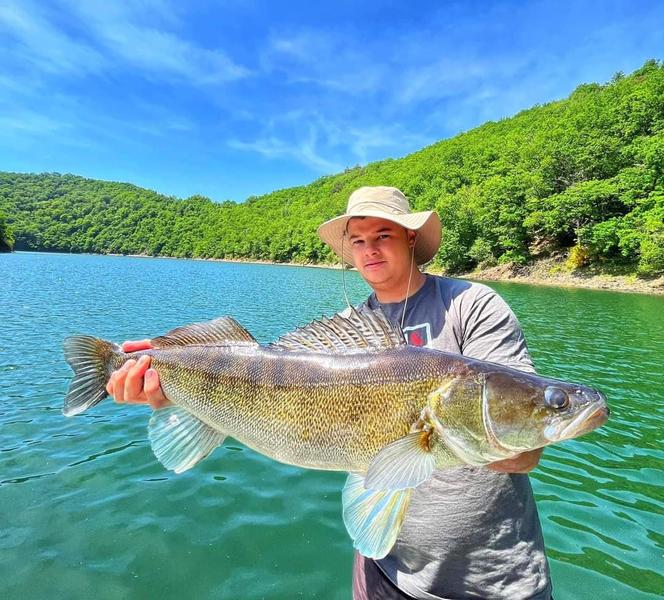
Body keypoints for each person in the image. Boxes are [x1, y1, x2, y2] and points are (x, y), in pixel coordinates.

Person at [107, 186, 552, 600]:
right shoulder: (349, 332)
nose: (369, 249)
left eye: (383, 234)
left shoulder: (472, 305)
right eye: (357, 240)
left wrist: (475, 428)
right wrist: (170, 392)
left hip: (492, 578)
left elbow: (523, 450)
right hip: (383, 568)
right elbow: (263, 385)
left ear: (411, 238)